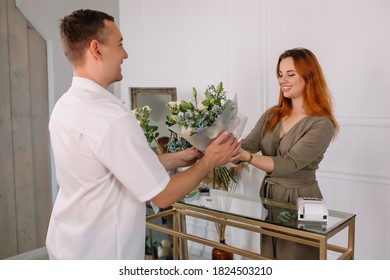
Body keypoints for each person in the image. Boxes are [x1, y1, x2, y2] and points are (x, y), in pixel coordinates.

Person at [46, 9, 240, 260]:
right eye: (120, 44)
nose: (125, 54)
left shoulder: (65, 105)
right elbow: (164, 196)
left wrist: (181, 157)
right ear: (96, 49)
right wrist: (209, 162)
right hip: (102, 253)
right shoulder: (109, 116)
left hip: (68, 246)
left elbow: (113, 169)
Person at [238, 47, 339, 259]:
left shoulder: (322, 124)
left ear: (309, 77)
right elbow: (247, 145)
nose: (283, 80)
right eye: (280, 74)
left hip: (305, 200)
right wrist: (216, 143)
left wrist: (245, 156)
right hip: (271, 197)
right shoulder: (272, 115)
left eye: (291, 74)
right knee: (270, 257)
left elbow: (288, 164)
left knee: (299, 260)